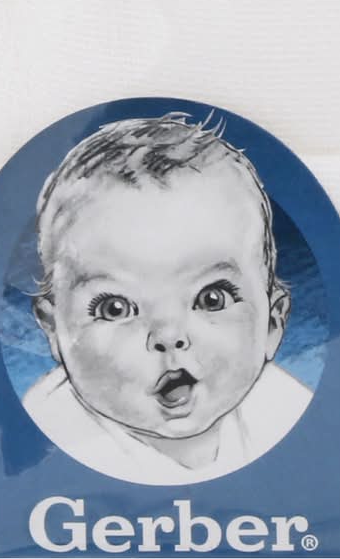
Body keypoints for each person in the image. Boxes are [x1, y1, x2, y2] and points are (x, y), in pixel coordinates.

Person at [22, 113, 312, 484]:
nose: (168, 335)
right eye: (116, 308)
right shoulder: (46, 441)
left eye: (211, 299)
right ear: (54, 330)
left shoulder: (284, 410)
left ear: (272, 323)